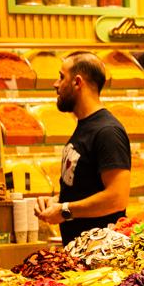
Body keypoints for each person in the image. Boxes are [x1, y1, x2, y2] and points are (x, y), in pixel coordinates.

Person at [35, 51, 131, 245]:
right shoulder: (85, 126)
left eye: (61, 77)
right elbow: (86, 188)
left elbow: (117, 198)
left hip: (101, 253)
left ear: (77, 82)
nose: (55, 84)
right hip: (81, 252)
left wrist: (65, 210)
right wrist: (58, 201)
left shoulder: (107, 131)